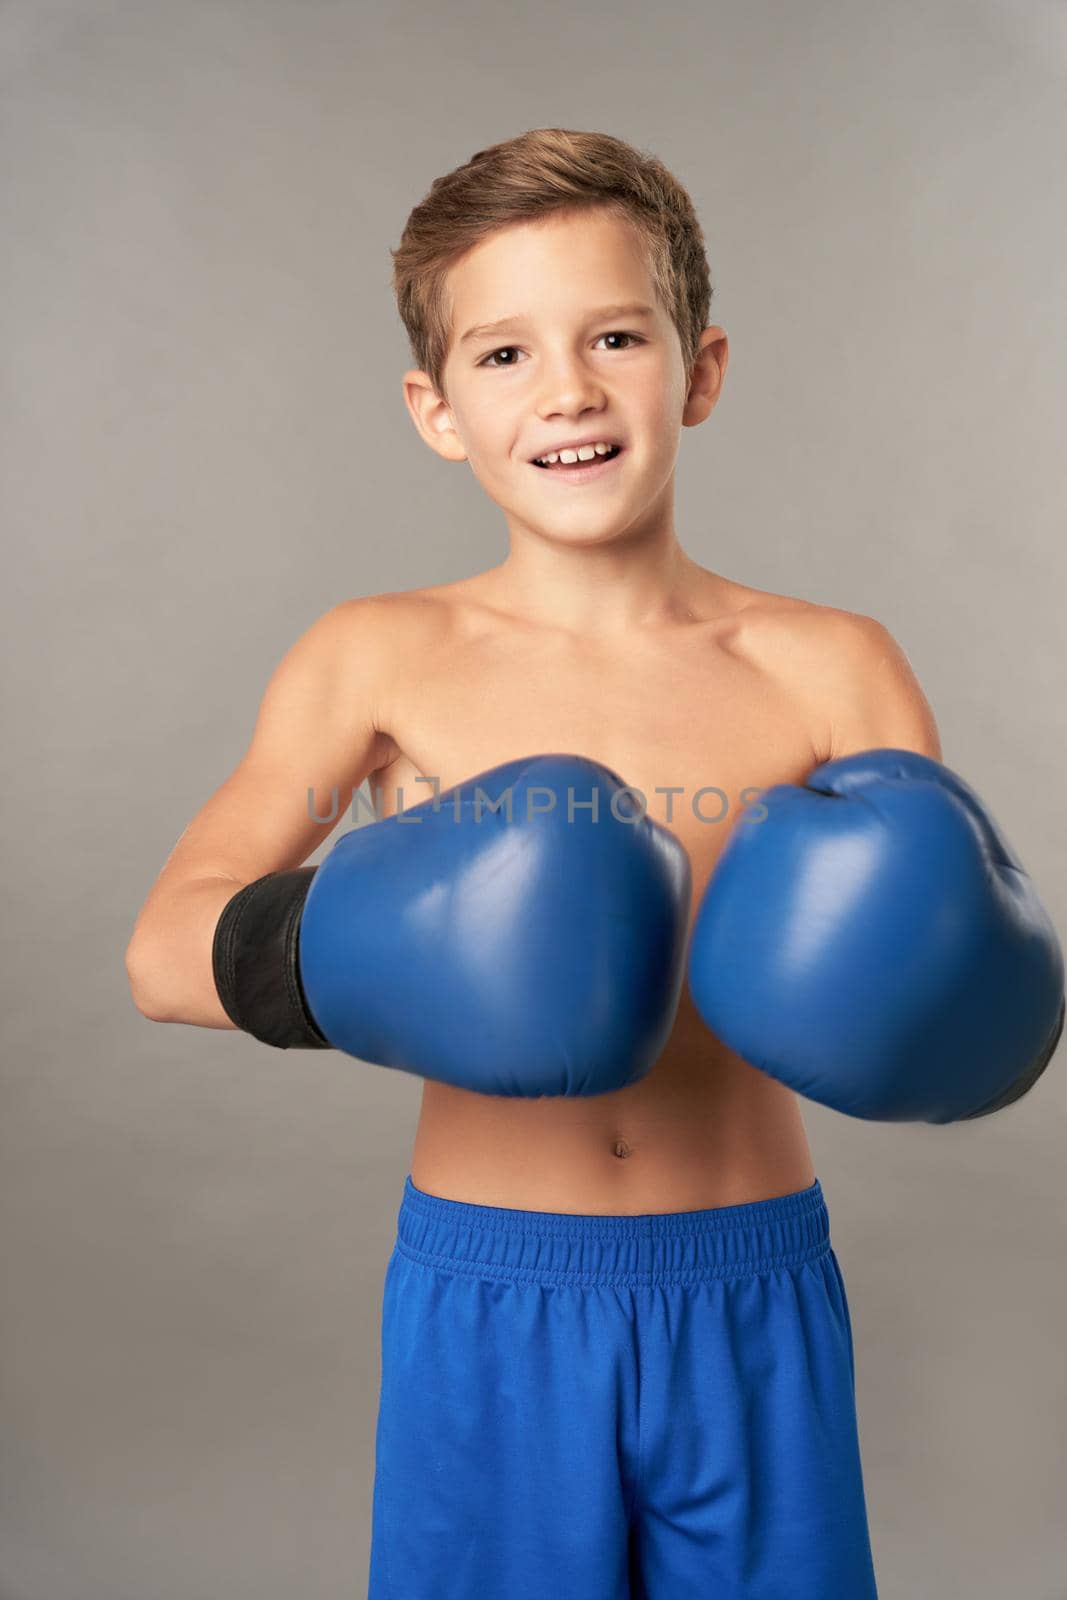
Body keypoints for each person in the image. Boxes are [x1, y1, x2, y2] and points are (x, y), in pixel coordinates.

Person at [124, 128, 1062, 1599]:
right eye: (503, 356)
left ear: (699, 368)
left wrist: (976, 1014)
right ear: (437, 410)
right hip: (494, 1298)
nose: (566, 389)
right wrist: (374, 944)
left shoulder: (831, 668)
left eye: (615, 335)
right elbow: (163, 948)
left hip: (749, 1290)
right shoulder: (377, 660)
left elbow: (944, 973)